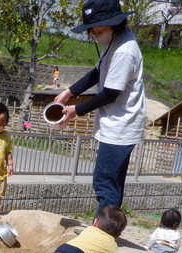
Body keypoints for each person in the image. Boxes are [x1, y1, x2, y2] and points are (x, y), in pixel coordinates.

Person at [54, 0, 145, 218]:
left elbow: (110, 93)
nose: (95, 34)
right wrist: (69, 92)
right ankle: (107, 233)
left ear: (115, 25)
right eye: (92, 31)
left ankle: (101, 235)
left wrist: (77, 110)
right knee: (111, 184)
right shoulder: (114, 43)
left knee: (105, 184)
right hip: (116, 124)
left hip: (120, 126)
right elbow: (97, 73)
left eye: (99, 30)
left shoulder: (124, 51)